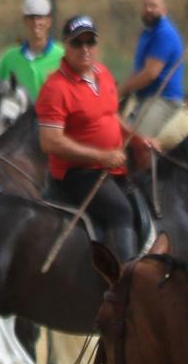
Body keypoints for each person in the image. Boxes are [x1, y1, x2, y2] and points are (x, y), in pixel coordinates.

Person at [34, 14, 136, 261]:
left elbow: (112, 115)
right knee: (120, 212)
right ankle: (125, 280)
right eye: (77, 43)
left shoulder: (103, 73)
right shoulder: (56, 88)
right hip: (79, 173)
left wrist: (138, 138)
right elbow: (50, 141)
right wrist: (101, 156)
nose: (85, 49)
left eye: (90, 42)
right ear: (65, 46)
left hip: (114, 166)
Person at [119, 0, 186, 137]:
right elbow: (138, 71)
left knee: (136, 141)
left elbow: (150, 74)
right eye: (145, 5)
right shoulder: (148, 33)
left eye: (153, 6)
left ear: (164, 10)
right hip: (146, 99)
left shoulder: (164, 33)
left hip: (163, 99)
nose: (148, 9)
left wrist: (123, 90)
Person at [0, 0, 63, 101]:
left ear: (48, 21)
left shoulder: (63, 56)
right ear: (25, 21)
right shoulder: (10, 58)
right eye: (31, 18)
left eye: (40, 17)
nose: (36, 22)